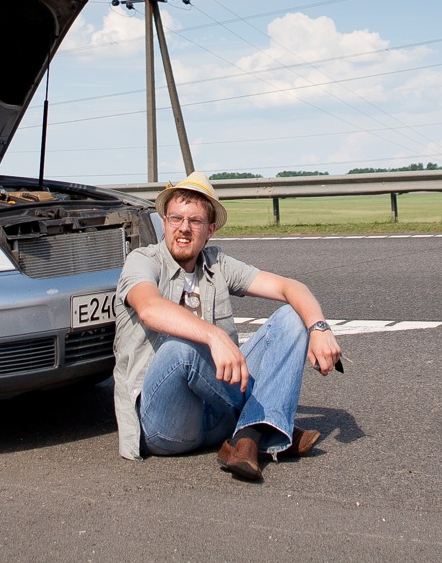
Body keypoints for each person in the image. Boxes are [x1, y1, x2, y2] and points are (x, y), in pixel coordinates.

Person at [112, 172, 343, 480]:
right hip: (167, 423)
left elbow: (290, 287)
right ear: (164, 222)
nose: (183, 228)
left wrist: (319, 328)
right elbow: (150, 308)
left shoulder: (216, 263)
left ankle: (246, 436)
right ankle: (264, 427)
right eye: (175, 218)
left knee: (291, 318)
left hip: (218, 415)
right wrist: (213, 335)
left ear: (210, 230)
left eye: (194, 221)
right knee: (182, 349)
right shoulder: (143, 260)